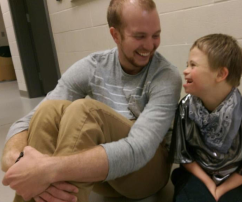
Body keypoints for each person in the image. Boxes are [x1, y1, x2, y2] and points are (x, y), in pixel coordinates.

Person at [1, 0, 182, 201]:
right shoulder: (94, 66)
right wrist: (16, 159)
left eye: (156, 35)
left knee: (85, 111)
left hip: (146, 173)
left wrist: (49, 169)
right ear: (115, 35)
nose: (150, 45)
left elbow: (139, 149)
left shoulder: (166, 76)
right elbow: (30, 119)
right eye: (140, 36)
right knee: (48, 111)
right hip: (102, 176)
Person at [169, 34, 242, 202]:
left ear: (220, 74)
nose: (185, 70)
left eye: (193, 65)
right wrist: (209, 185)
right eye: (187, 64)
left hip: (235, 178)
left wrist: (222, 189)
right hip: (197, 174)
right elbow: (184, 156)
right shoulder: (184, 108)